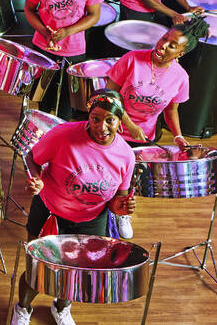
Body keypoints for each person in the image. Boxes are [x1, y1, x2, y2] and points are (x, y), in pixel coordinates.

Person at [9, 89, 135, 325]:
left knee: (75, 271)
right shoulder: (63, 135)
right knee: (37, 267)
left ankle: (61, 308)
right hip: (50, 211)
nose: (101, 127)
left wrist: (123, 207)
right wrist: (36, 179)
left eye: (110, 120)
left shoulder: (126, 156)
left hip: (91, 220)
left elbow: (118, 199)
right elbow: (32, 158)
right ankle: (23, 308)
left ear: (120, 119)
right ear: (88, 115)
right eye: (95, 118)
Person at [106, 16, 209, 239]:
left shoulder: (180, 78)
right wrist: (129, 124)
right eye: (164, 38)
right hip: (112, 127)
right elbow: (110, 95)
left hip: (143, 135)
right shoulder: (132, 59)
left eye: (172, 45)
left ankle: (121, 211)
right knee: (106, 172)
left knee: (128, 177)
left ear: (180, 53)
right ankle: (100, 209)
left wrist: (178, 137)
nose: (163, 45)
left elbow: (171, 111)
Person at [23, 0, 103, 120]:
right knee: (42, 102)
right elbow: (29, 10)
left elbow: (94, 15)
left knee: (66, 107)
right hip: (43, 48)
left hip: (74, 51)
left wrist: (67, 31)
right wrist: (45, 32)